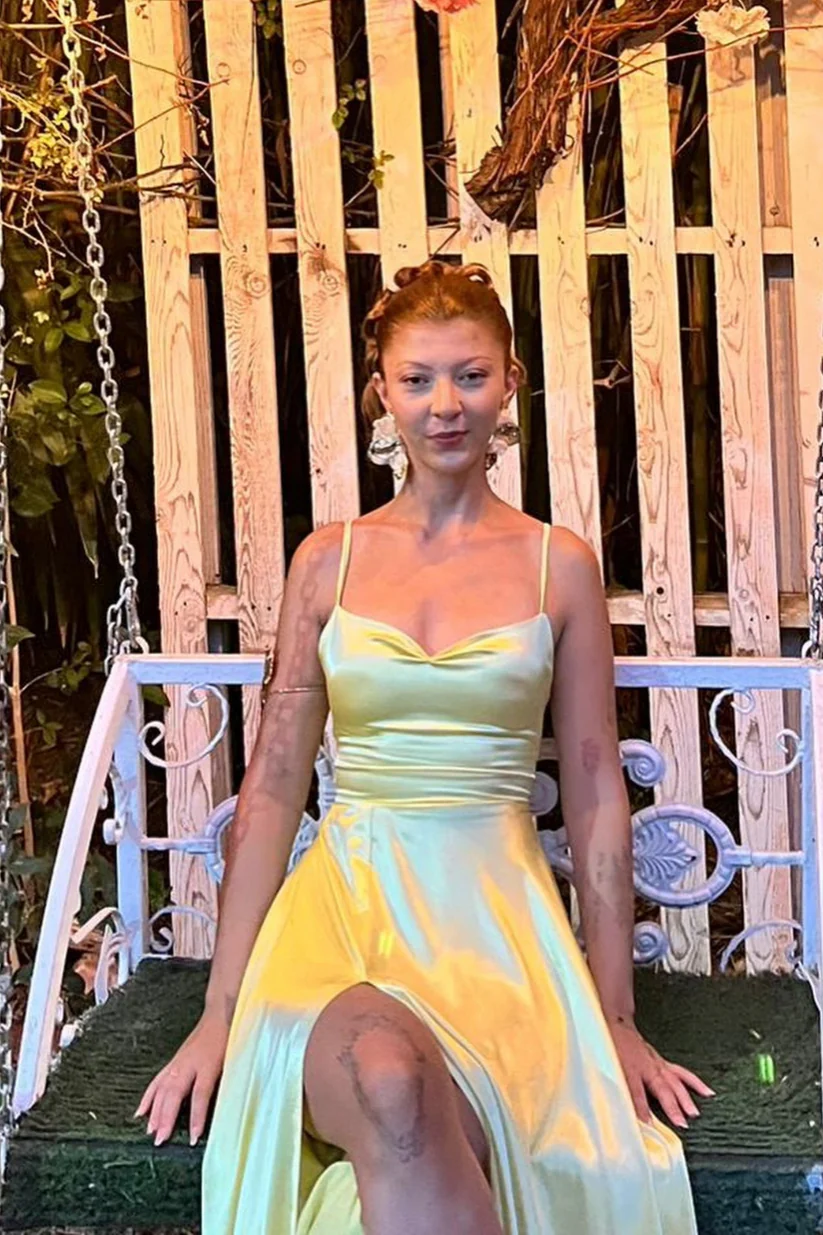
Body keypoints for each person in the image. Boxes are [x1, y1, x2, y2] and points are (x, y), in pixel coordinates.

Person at [135, 260, 712, 1234]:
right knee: (389, 1074)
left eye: (470, 375)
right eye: (417, 379)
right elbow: (272, 790)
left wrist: (613, 1017)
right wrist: (217, 1013)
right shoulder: (327, 562)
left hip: (499, 937)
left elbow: (594, 789)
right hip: (341, 921)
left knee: (443, 1143)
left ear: (510, 383)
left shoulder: (558, 566)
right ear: (383, 393)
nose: (446, 405)